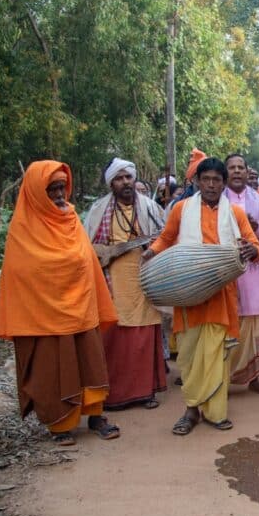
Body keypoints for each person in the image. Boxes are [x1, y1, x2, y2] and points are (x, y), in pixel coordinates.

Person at [0, 160, 120, 445]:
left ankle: (97, 416)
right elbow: (21, 272)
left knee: (90, 362)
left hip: (81, 306)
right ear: (37, 192)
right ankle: (60, 425)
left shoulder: (71, 219)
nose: (59, 195)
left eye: (62, 187)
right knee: (53, 369)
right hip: (45, 314)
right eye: (52, 189)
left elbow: (86, 260)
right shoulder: (23, 226)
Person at [144, 157, 259, 435]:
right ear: (197, 181)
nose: (210, 184)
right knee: (190, 353)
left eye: (216, 180)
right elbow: (166, 238)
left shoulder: (236, 213)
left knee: (218, 354)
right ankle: (191, 410)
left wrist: (251, 251)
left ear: (223, 184)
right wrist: (150, 254)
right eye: (205, 179)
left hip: (222, 295)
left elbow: (255, 245)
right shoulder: (182, 209)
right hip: (189, 296)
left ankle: (215, 412)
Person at [83, 157, 167, 410]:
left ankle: (144, 392)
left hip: (145, 279)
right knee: (114, 336)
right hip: (111, 282)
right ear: (111, 184)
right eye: (119, 178)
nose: (125, 182)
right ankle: (115, 394)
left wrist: (152, 247)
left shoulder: (151, 208)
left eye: (128, 177)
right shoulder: (98, 211)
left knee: (143, 335)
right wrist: (107, 251)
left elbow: (166, 237)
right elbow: (86, 246)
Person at [223, 154, 259, 395]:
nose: (236, 172)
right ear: (226, 173)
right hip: (227, 272)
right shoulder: (216, 200)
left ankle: (254, 378)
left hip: (255, 271)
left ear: (247, 172)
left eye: (240, 168)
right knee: (231, 326)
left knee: (256, 327)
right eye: (232, 168)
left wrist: (257, 228)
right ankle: (222, 379)